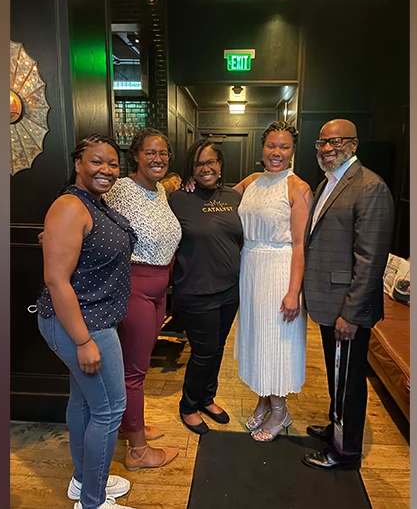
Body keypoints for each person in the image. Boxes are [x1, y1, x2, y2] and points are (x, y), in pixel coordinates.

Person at [35, 134, 137, 509]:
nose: (106, 169)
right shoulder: (69, 206)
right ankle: (92, 503)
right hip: (83, 324)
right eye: (97, 161)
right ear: (78, 163)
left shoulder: (93, 204)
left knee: (84, 402)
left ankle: (83, 482)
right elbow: (56, 280)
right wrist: (82, 341)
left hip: (92, 319)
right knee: (109, 411)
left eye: (112, 163)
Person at [301, 119, 394, 470]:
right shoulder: (329, 183)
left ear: (353, 145)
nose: (327, 149)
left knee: (349, 381)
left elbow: (371, 259)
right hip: (329, 301)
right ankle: (336, 428)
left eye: (336, 142)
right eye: (322, 143)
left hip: (348, 307)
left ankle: (344, 452)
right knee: (337, 376)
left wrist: (352, 314)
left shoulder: (370, 187)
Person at [104, 128, 181, 470]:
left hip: (159, 289)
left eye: (163, 153)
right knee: (134, 371)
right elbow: (88, 211)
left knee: (138, 365)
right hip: (135, 285)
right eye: (150, 152)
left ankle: (128, 424)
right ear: (136, 155)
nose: (158, 158)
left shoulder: (161, 189)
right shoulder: (120, 189)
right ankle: (137, 451)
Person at [232, 121, 312, 442]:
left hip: (279, 270)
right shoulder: (252, 181)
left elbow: (299, 244)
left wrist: (293, 291)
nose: (277, 153)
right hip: (250, 266)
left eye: (285, 147)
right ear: (262, 147)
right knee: (256, 336)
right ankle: (264, 399)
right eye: (271, 146)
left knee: (275, 338)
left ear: (293, 151)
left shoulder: (297, 188)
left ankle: (280, 410)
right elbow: (219, 202)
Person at [167, 139, 243, 435]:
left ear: (221, 165)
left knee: (218, 347)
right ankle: (188, 405)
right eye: (200, 163)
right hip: (196, 290)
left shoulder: (235, 196)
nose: (207, 168)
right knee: (203, 351)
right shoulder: (178, 198)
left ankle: (207, 398)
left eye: (212, 162)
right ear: (191, 169)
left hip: (229, 289)